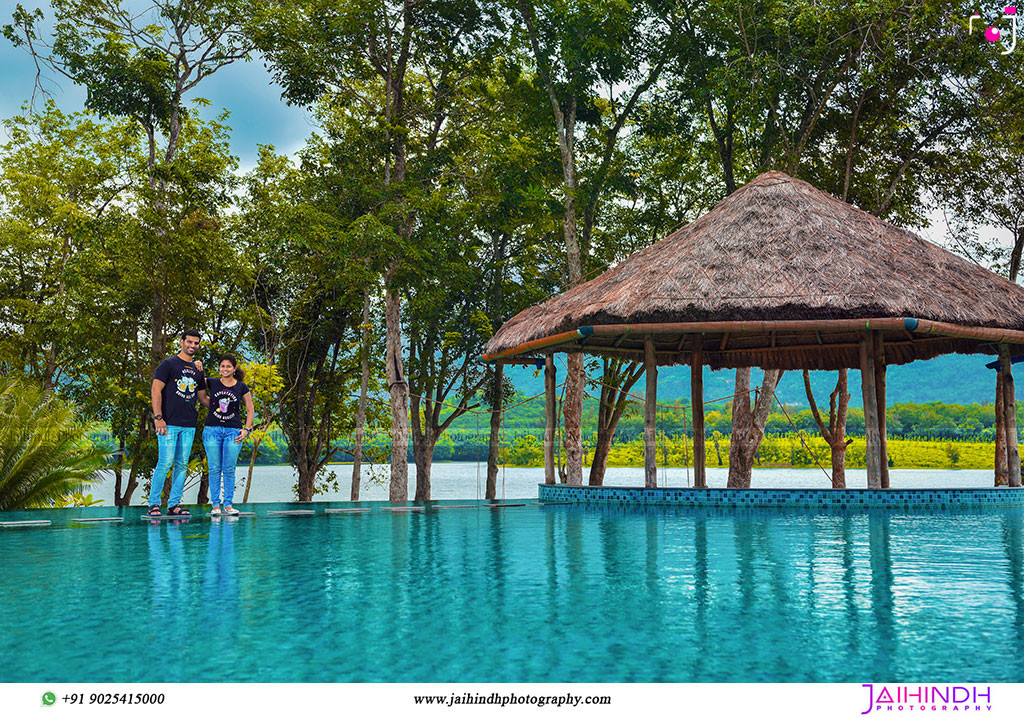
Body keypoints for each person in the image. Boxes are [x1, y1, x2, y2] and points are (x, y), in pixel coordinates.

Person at [148, 330, 207, 516]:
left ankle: (174, 505)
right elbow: (156, 390)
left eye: (196, 343)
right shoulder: (169, 364)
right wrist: (158, 418)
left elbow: (203, 398)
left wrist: (228, 402)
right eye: (189, 342)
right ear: (182, 342)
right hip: (168, 424)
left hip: (188, 424)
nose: (192, 345)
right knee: (165, 463)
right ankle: (154, 504)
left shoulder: (198, 369)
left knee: (182, 464)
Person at [202, 354, 254, 515]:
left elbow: (250, 409)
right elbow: (195, 380)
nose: (225, 369)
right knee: (215, 468)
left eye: (228, 366)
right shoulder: (212, 382)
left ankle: (228, 505)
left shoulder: (241, 387)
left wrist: (246, 429)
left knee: (229, 469)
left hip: (233, 431)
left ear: (234, 368)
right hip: (212, 430)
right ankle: (216, 505)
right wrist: (197, 365)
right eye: (222, 366)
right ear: (219, 368)